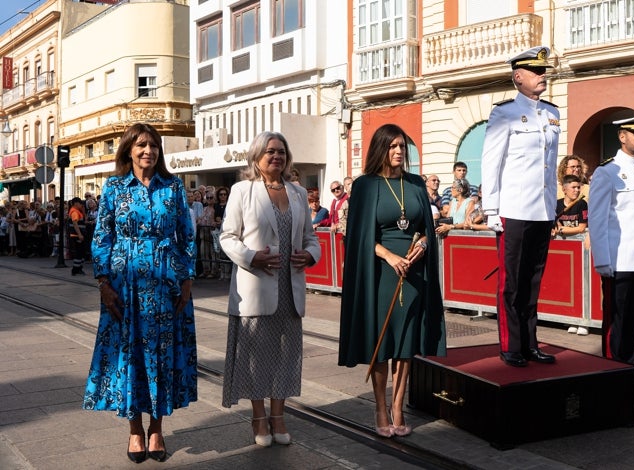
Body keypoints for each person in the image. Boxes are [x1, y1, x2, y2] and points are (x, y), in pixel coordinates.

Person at [82, 123, 197, 463]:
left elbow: (186, 235)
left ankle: (157, 428)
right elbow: (102, 236)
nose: (149, 151)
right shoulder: (115, 187)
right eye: (142, 145)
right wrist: (103, 283)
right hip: (124, 284)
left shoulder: (173, 187)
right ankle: (134, 430)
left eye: (154, 146)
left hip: (166, 282)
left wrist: (188, 279)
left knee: (163, 354)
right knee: (129, 354)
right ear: (129, 149)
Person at [338, 123, 445, 438]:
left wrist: (424, 245)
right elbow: (358, 237)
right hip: (382, 272)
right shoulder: (365, 185)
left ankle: (398, 406)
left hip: (414, 271)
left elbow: (426, 227)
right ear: (381, 149)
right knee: (383, 342)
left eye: (402, 146)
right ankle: (381, 407)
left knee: (405, 343)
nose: (399, 152)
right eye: (393, 146)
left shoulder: (414, 183)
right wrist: (388, 255)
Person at [219, 131, 320, 447]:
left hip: (291, 290)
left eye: (281, 151)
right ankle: (258, 416)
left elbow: (310, 238)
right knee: (256, 358)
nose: (276, 156)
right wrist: (251, 257)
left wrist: (311, 254)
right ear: (256, 156)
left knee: (287, 357)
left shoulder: (298, 192)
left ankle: (279, 416)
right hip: (256, 288)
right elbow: (226, 237)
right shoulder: (242, 190)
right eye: (270, 151)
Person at [480, 46, 560, 368]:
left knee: (532, 281)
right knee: (511, 283)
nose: (543, 76)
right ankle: (511, 346)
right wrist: (491, 209)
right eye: (536, 71)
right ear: (518, 76)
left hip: (541, 210)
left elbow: (548, 166)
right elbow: (491, 162)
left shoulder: (553, 113)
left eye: (544, 71)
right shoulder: (505, 113)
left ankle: (530, 344)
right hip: (512, 210)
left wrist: (552, 209)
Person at [588, 115, 634, 396]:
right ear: (622, 136)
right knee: (616, 321)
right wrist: (603, 259)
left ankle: (628, 372)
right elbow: (597, 218)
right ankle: (611, 374)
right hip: (619, 259)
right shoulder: (607, 171)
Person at [68, 197, 86, 275]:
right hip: (77, 235)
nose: (81, 205)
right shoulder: (74, 212)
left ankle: (78, 268)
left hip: (77, 234)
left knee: (81, 252)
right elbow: (75, 223)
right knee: (79, 252)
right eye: (80, 203)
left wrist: (83, 211)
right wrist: (79, 234)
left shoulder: (77, 211)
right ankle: (76, 269)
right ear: (76, 203)